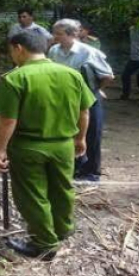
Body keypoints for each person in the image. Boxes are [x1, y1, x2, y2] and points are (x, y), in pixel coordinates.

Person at [0, 31, 94, 259]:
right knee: (62, 188)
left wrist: (0, 149)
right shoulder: (71, 74)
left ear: (19, 48)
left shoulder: (15, 78)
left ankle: (45, 243)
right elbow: (84, 111)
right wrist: (81, 138)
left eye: (11, 51)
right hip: (63, 145)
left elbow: (8, 120)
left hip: (29, 147)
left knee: (32, 194)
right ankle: (62, 229)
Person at [49, 19, 114, 182]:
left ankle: (92, 171)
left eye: (59, 34)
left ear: (72, 35)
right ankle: (76, 165)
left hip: (88, 96)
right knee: (69, 132)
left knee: (92, 132)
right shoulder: (54, 51)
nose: (54, 36)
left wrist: (97, 91)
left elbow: (107, 75)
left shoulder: (88, 52)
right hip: (65, 98)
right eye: (54, 33)